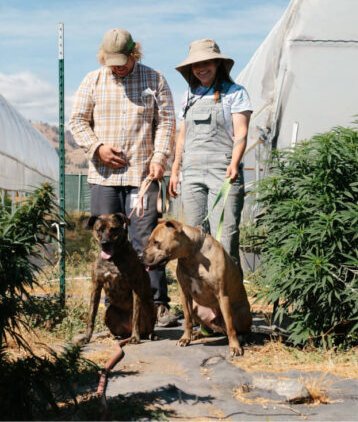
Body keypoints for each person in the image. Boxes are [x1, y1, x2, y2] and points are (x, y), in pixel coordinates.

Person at [70, 28, 178, 327]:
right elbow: (77, 121)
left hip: (142, 176)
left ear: (135, 54)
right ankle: (114, 309)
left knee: (146, 241)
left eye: (123, 60)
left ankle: (157, 304)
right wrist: (97, 147)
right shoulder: (92, 81)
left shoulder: (154, 80)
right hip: (104, 176)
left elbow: (167, 122)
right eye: (111, 61)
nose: (118, 66)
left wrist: (159, 159)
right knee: (108, 242)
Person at [168, 38, 251, 270]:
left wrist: (234, 163)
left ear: (217, 64)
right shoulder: (189, 96)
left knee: (225, 238)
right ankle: (199, 303)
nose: (201, 68)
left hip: (223, 171)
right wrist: (175, 170)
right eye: (196, 65)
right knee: (192, 237)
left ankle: (229, 302)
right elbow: (182, 135)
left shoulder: (236, 93)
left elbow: (241, 131)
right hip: (192, 171)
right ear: (191, 69)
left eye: (207, 63)